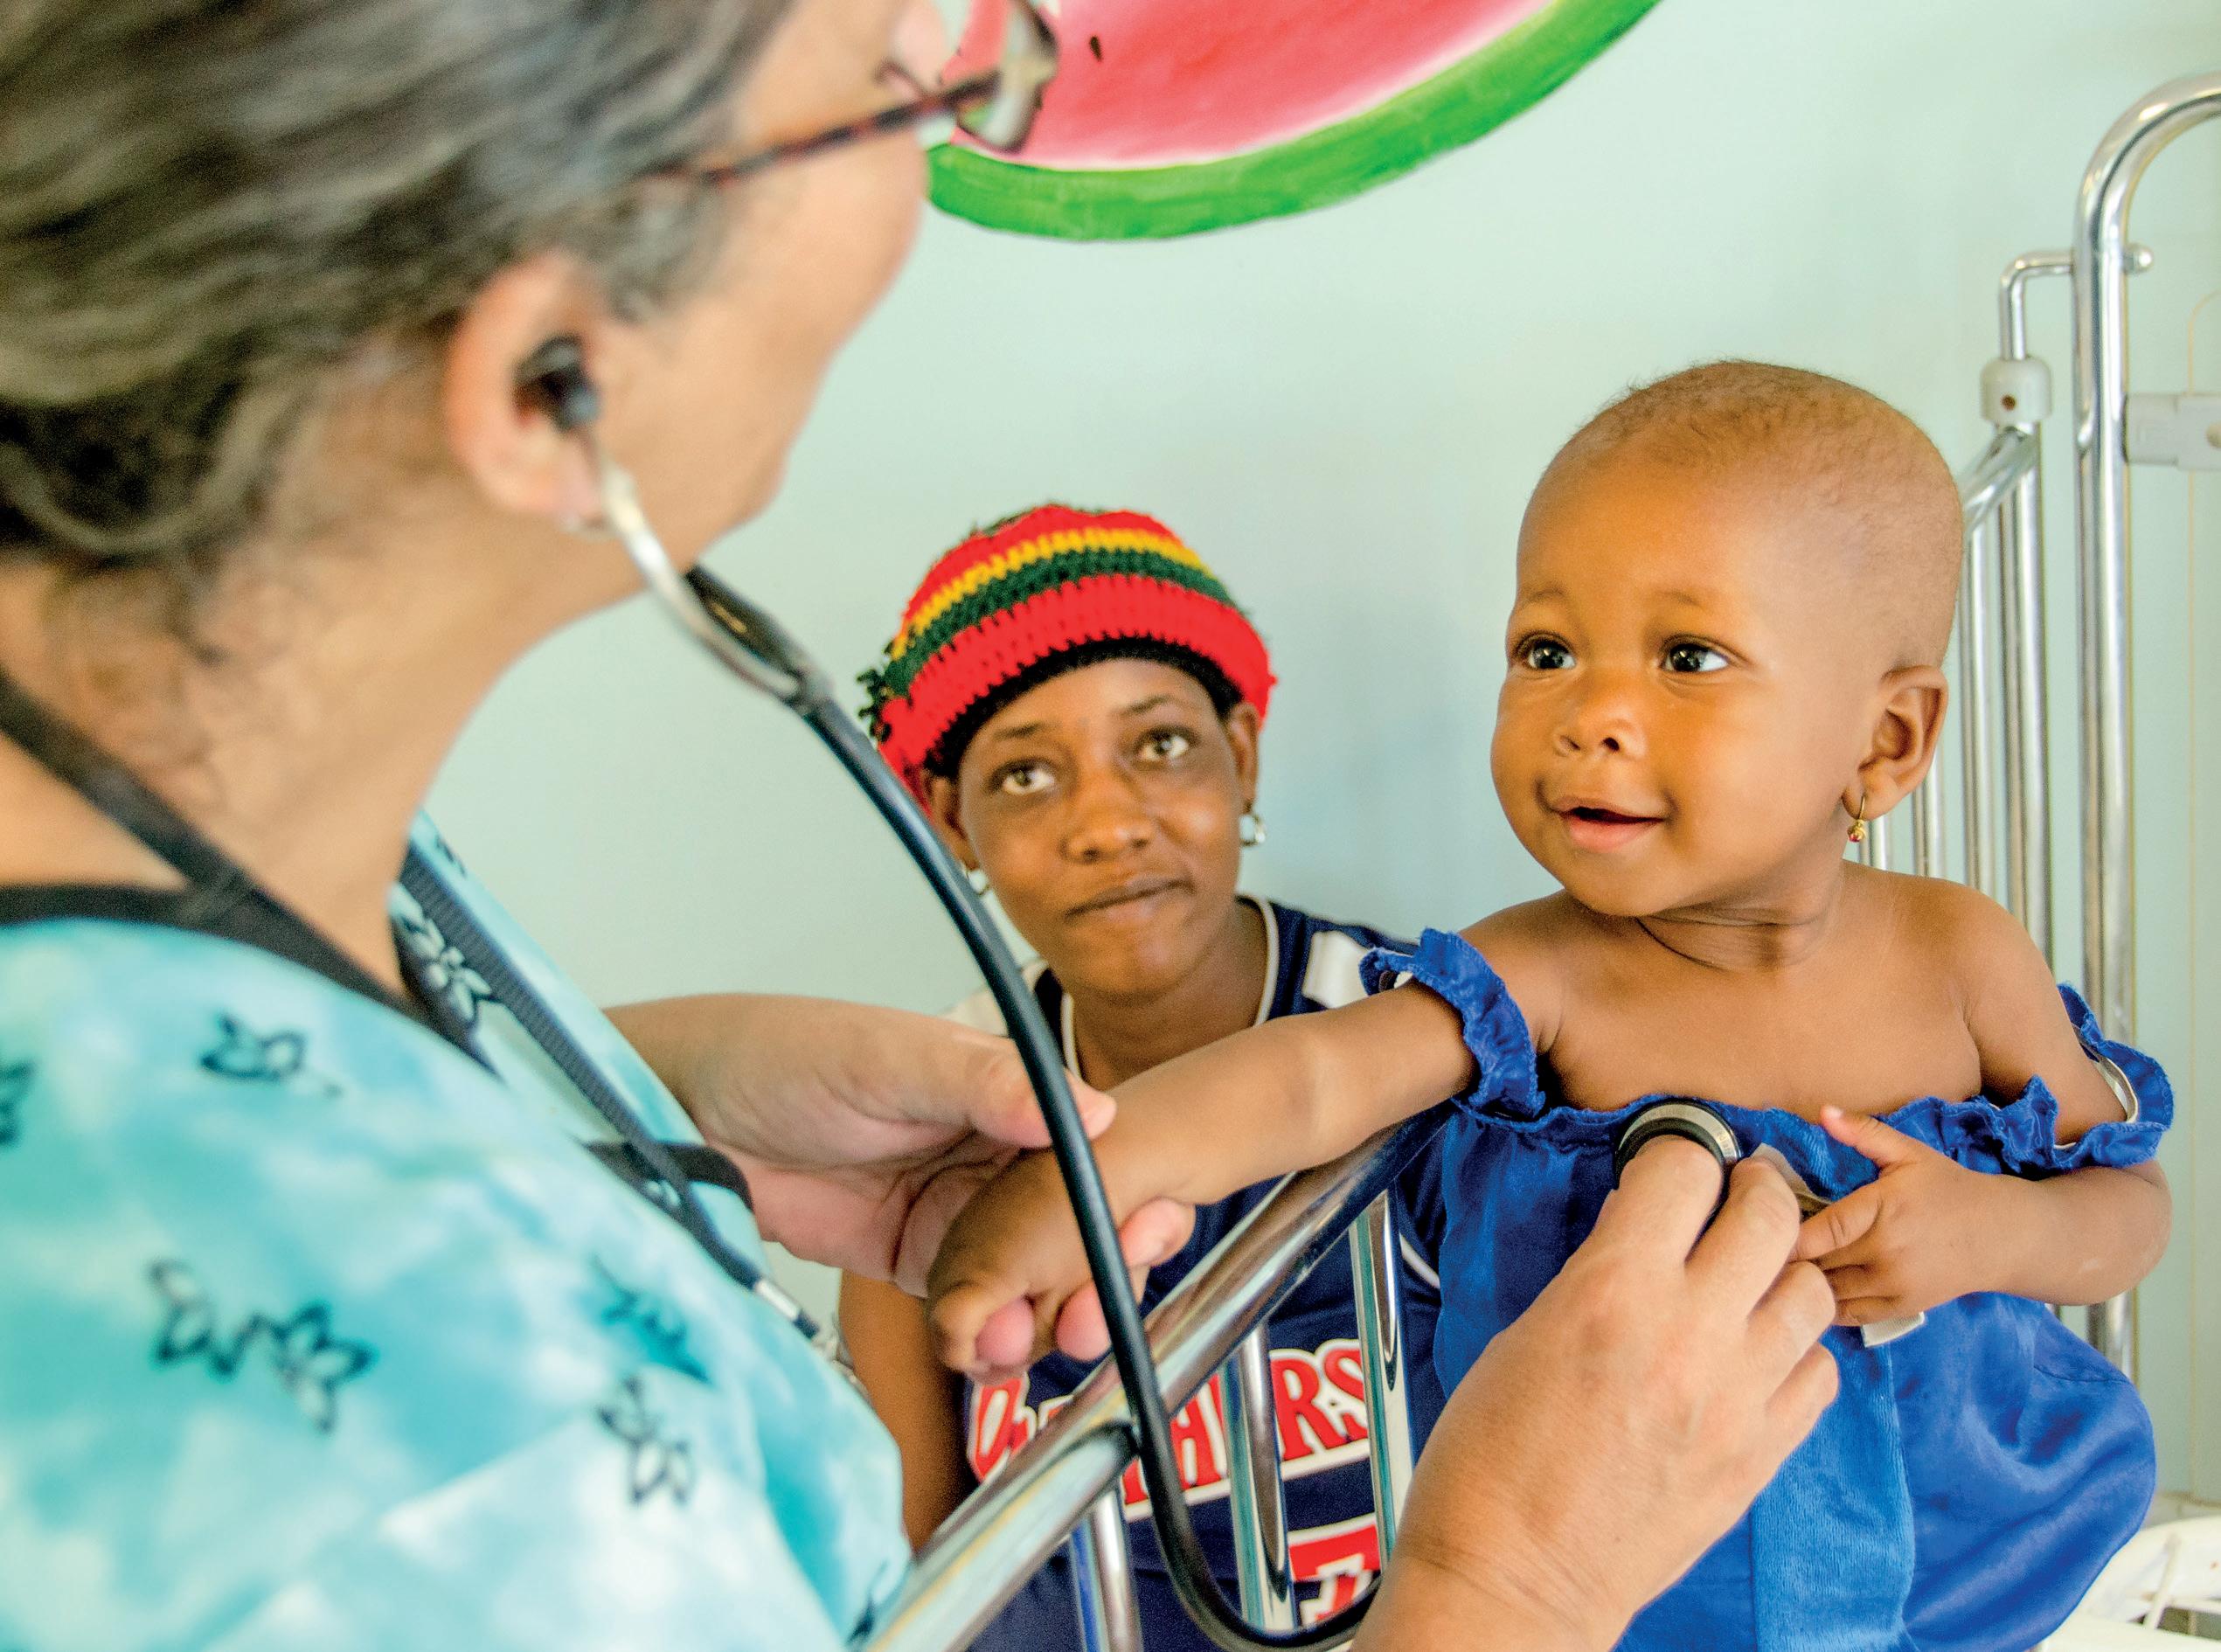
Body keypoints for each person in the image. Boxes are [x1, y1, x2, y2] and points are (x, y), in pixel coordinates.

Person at [0, 3, 1840, 1648]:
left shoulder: (226, 850)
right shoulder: (444, 1490)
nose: (954, 126)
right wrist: (1505, 1595)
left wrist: (618, 1094)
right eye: (895, 87)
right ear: (549, 378)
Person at [928, 364, 2175, 1652]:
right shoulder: (1541, 972)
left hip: (1967, 1566)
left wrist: (1991, 1232)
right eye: (1546, 651)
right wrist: (1085, 1177)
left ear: (1887, 741)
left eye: (1687, 657)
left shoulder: (1960, 957)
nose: (1590, 716)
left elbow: (2129, 1210)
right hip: (1625, 1603)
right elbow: (1308, 1078)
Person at [841, 503, 1450, 1635]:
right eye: (1027, 774)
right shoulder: (923, 1126)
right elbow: (909, 1582)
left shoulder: (1419, 1039)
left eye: (1160, 745)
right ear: (950, 822)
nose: (1108, 823)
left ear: (1241, 756)